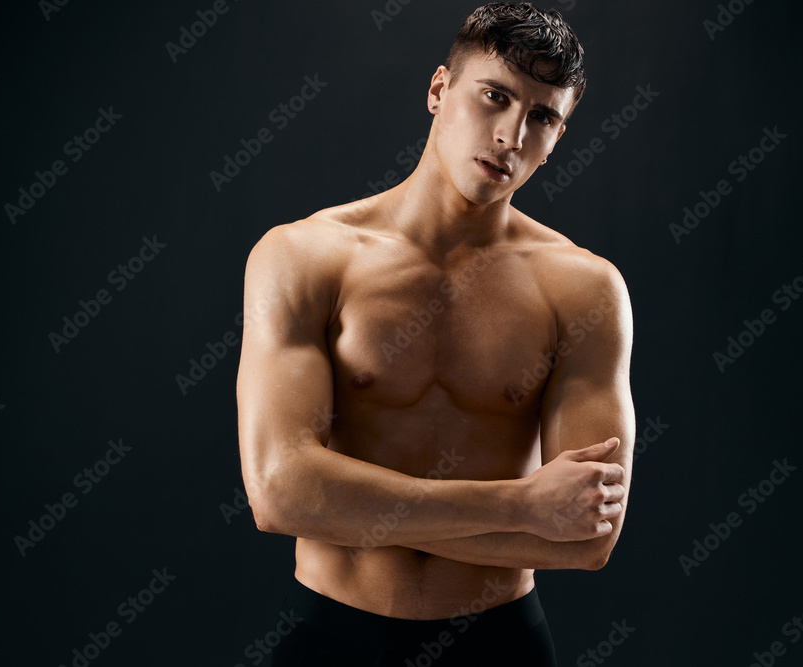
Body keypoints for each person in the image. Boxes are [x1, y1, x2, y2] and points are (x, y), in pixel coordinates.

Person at [235, 3, 634, 664]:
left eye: (541, 116)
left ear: (559, 135)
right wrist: (520, 505)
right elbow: (280, 493)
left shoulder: (583, 289)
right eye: (495, 96)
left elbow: (586, 536)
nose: (510, 134)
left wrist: (349, 507)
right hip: (335, 635)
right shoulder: (304, 257)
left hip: (499, 642)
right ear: (439, 90)